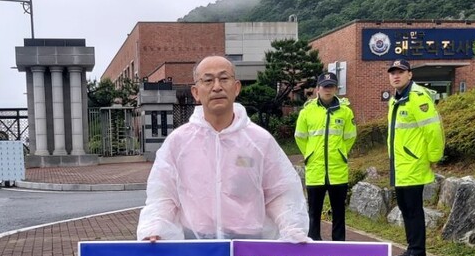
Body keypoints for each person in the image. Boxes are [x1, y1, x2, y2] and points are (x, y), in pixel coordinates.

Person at [137, 55, 308, 242]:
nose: (216, 86)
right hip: (195, 244)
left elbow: (280, 192)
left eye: (224, 79)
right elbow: (163, 194)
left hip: (247, 246)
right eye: (208, 80)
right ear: (195, 92)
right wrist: (154, 227)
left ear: (236, 88)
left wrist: (292, 228)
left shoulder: (259, 141)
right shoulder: (179, 142)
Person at [385, 59, 444, 256]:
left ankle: (418, 253)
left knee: (413, 208)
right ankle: (411, 248)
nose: (396, 76)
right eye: (392, 73)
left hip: (413, 163)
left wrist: (434, 157)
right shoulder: (397, 99)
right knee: (404, 207)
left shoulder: (418, 97)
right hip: (400, 164)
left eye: (400, 72)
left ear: (410, 74)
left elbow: (433, 130)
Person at [294, 71, 357, 241]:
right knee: (313, 212)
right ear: (317, 89)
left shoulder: (345, 112)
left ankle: (339, 246)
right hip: (315, 168)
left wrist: (340, 153)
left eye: (331, 87)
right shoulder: (307, 112)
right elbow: (300, 137)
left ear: (336, 89)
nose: (327, 90)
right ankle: (314, 244)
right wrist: (310, 153)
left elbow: (350, 137)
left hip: (338, 169)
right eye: (324, 86)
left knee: (339, 212)